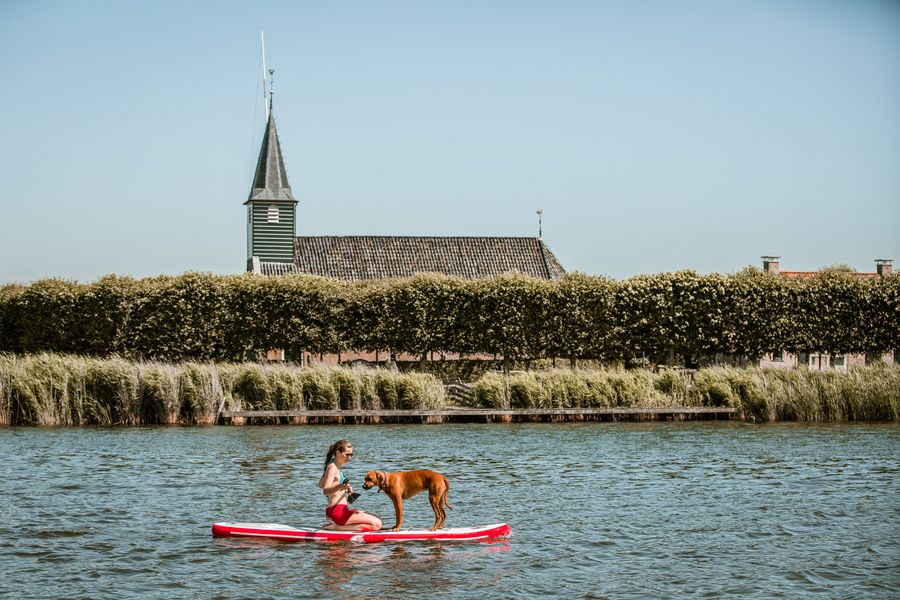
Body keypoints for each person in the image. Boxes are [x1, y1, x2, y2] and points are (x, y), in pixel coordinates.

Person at [318, 439, 382, 531]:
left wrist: (344, 488)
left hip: (343, 509)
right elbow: (325, 490)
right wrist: (341, 486)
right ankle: (336, 527)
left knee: (377, 518)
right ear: (338, 452)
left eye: (351, 454)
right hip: (336, 512)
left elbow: (321, 484)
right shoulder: (332, 467)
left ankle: (340, 526)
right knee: (376, 524)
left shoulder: (335, 466)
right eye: (347, 454)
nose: (350, 457)